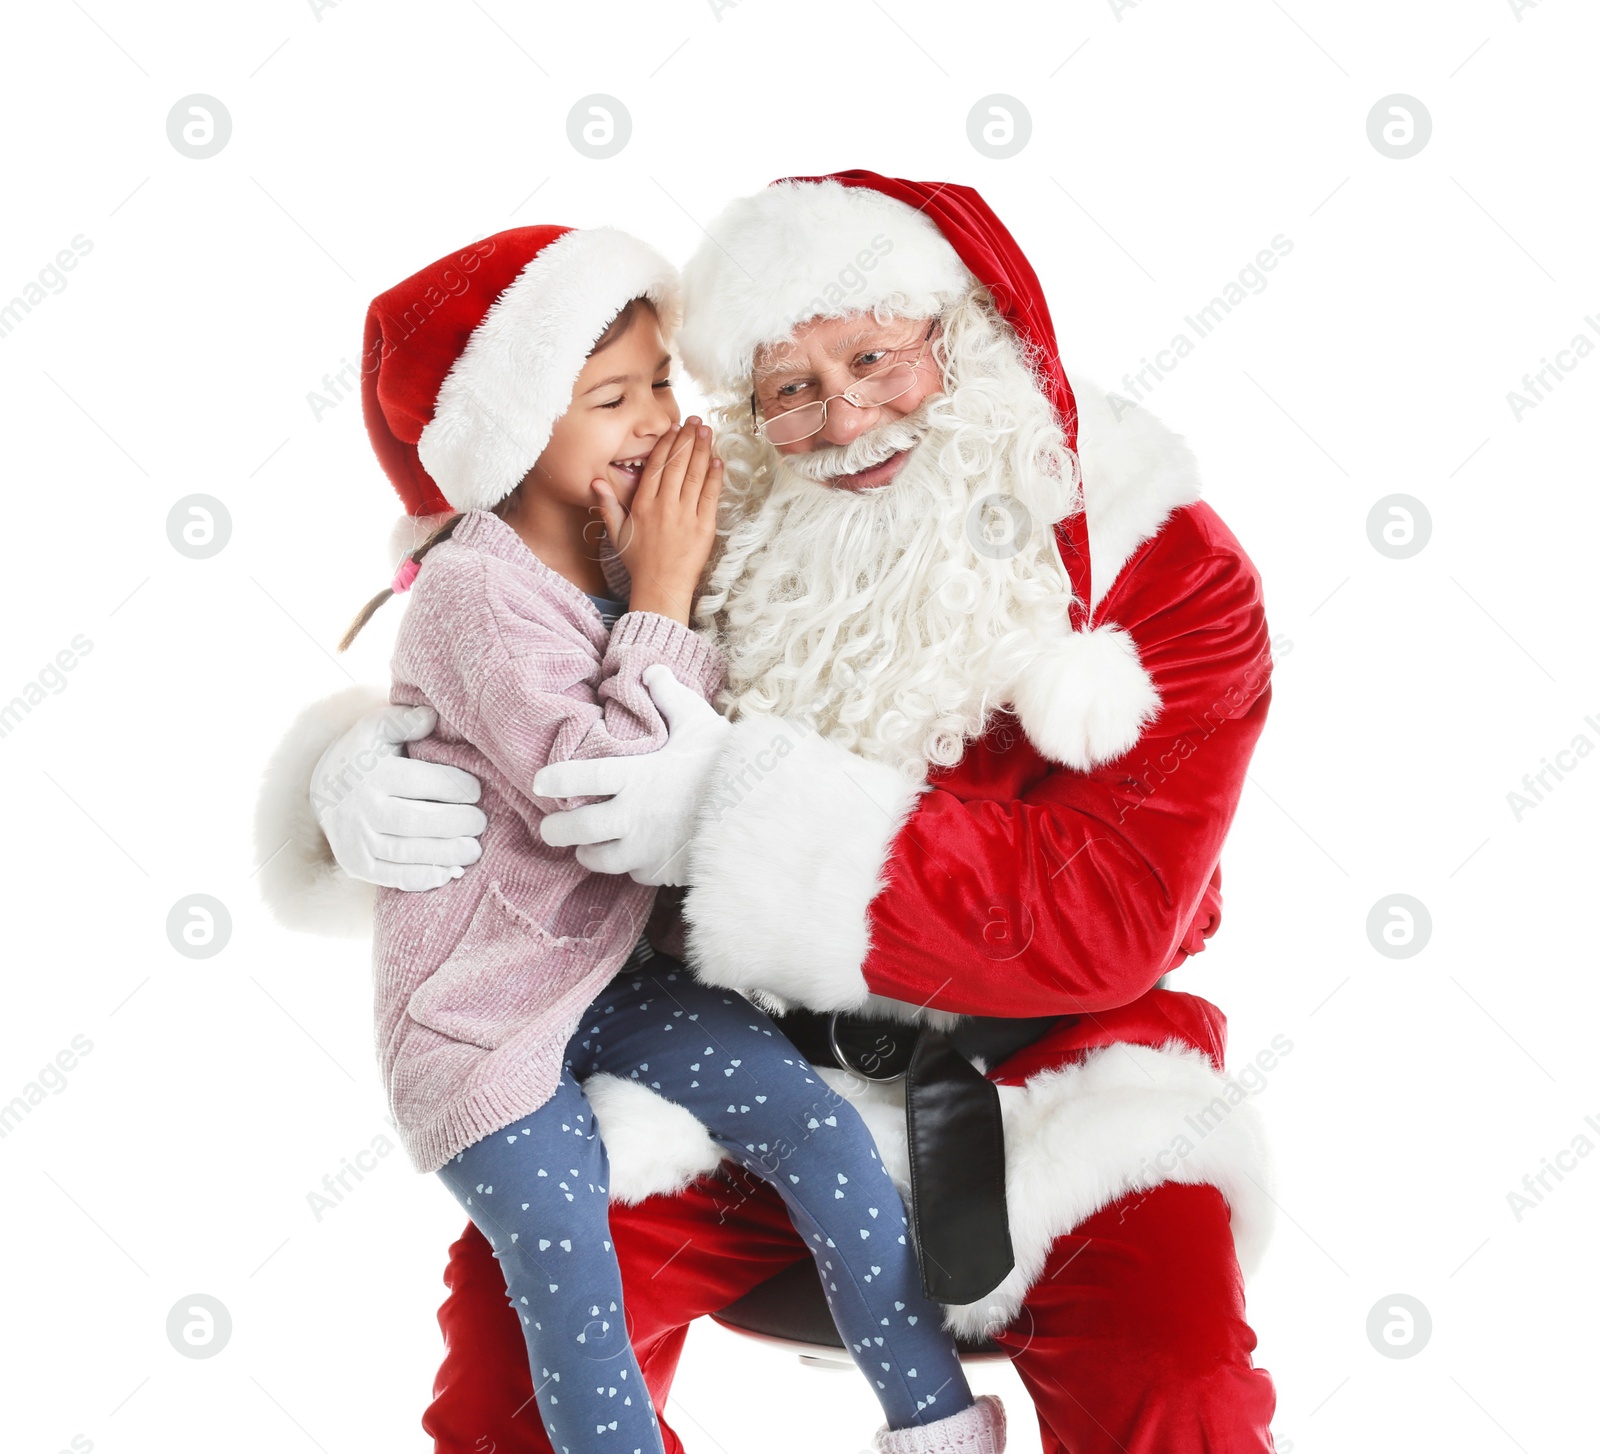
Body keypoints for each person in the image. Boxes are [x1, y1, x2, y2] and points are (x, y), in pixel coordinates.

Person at [256, 175, 1281, 1453]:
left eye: (874, 355)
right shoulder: (727, 522)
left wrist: (727, 816)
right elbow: (513, 618)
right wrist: (348, 770)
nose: (844, 415)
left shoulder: (1159, 560)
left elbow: (1110, 912)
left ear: (966, 332)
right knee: (509, 1378)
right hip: (750, 1058)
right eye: (788, 388)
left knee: (1176, 1390)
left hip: (1065, 1073)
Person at [319, 222, 1000, 1454]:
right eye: (609, 397)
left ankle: (940, 1423)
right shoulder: (477, 593)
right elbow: (603, 796)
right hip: (481, 1019)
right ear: (516, 427)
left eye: (661, 384)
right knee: (571, 1266)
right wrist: (664, 596)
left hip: (615, 978)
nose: (653, 421)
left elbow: (748, 722)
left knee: (820, 1134)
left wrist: (663, 580)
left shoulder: (625, 535)